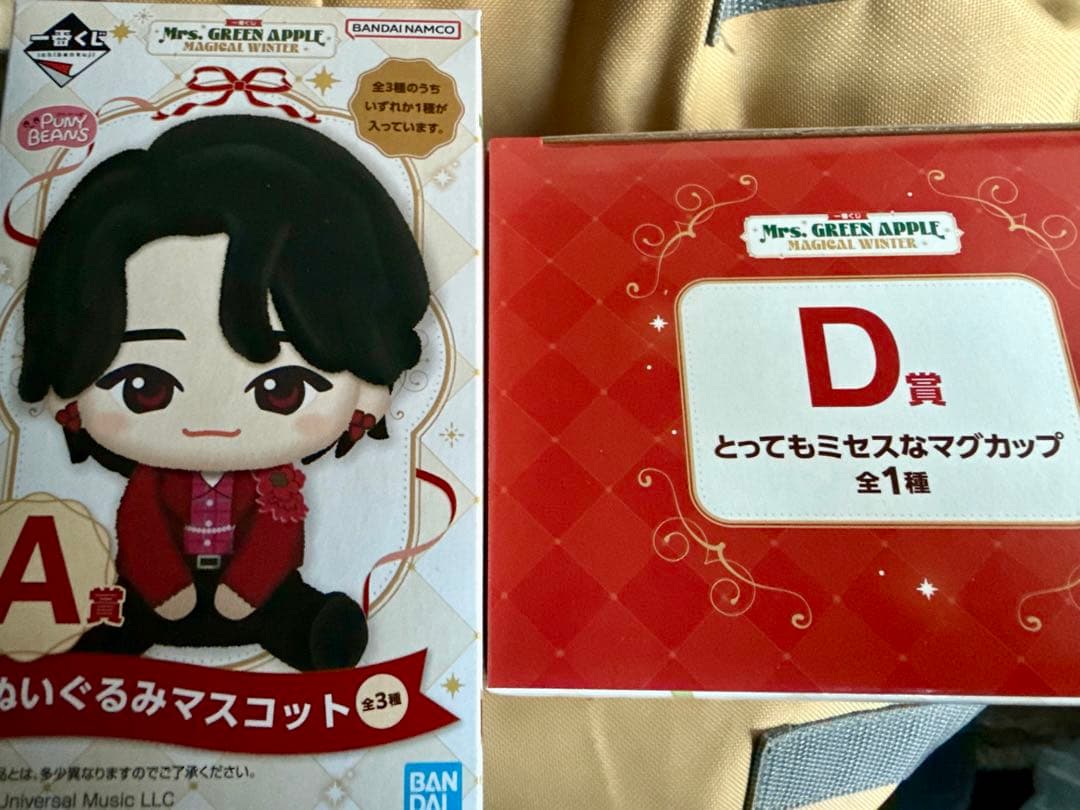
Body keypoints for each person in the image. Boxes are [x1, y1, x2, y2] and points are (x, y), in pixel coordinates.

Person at [17, 114, 430, 671]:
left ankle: (310, 633)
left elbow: (275, 537)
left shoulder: (277, 484)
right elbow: (141, 529)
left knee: (291, 613)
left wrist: (247, 590)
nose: (211, 421)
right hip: (158, 592)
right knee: (120, 617)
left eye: (281, 390)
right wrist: (166, 588)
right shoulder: (153, 483)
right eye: (144, 388)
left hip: (259, 595)